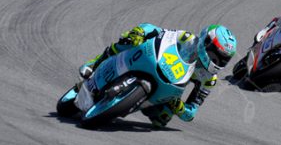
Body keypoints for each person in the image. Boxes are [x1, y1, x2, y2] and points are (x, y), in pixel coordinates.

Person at [79, 24, 237, 128]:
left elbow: (191, 113)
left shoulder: (209, 79)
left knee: (162, 119)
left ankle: (125, 104)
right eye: (215, 55)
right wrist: (140, 32)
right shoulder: (187, 38)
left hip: (169, 91)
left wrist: (180, 107)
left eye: (223, 59)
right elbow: (157, 31)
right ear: (206, 42)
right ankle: (95, 64)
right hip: (157, 62)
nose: (217, 61)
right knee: (130, 40)